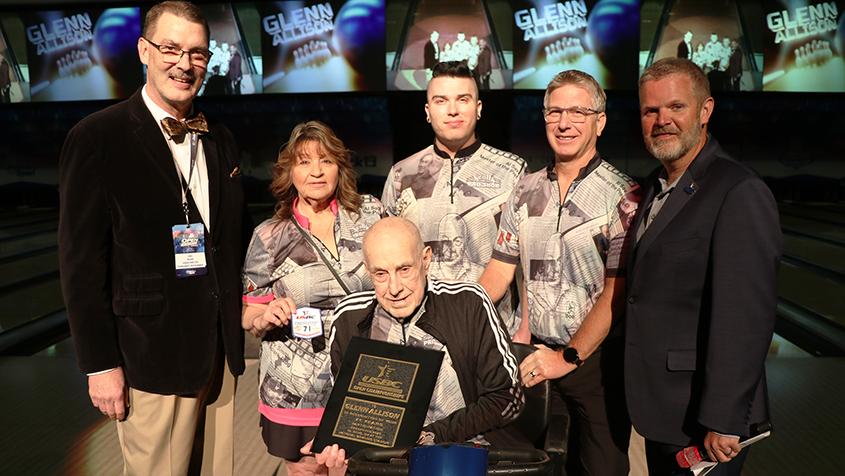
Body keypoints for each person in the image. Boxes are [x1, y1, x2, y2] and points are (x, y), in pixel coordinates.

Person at [58, 2, 247, 474]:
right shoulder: (97, 138)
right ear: (144, 51)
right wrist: (100, 365)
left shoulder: (220, 136)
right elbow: (81, 265)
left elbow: (230, 241)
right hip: (152, 360)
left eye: (198, 53)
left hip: (219, 358)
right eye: (170, 49)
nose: (185, 64)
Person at [478, 70, 639, 476]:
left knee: (602, 469)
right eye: (554, 112)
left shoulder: (625, 196)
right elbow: (498, 272)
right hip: (535, 359)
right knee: (535, 469)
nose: (564, 123)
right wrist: (455, 315)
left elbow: (616, 293)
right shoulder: (524, 190)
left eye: (577, 112)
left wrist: (568, 357)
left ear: (599, 122)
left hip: (596, 365)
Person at [626, 57, 781, 476]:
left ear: (705, 110)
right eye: (650, 111)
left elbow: (745, 316)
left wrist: (725, 418)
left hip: (705, 421)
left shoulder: (738, 190)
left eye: (676, 107)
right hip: (663, 410)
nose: (662, 120)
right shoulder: (655, 188)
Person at [307, 217, 525, 468]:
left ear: (425, 259)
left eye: (404, 269)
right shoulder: (348, 318)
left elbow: (509, 398)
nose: (394, 288)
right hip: (384, 463)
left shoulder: (468, 304)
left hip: (463, 454)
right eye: (380, 274)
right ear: (367, 271)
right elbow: (349, 409)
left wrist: (429, 437)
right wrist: (335, 441)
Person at [241, 121, 383, 476]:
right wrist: (264, 316)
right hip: (296, 390)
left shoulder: (371, 215)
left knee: (366, 469)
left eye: (326, 161)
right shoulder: (269, 236)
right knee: (306, 470)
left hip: (365, 382)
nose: (316, 171)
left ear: (340, 167)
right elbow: (248, 311)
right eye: (304, 162)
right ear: (289, 171)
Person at [381, 60, 527, 335]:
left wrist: (525, 329)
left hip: (493, 331)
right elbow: (387, 257)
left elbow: (530, 260)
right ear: (427, 111)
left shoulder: (513, 171)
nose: (452, 110)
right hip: (419, 331)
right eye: (441, 101)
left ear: (478, 108)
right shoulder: (402, 174)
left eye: (463, 99)